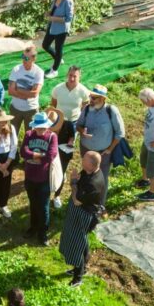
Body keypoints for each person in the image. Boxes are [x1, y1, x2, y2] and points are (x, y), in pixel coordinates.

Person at [59, 151, 107, 286]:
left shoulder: (94, 183)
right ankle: (83, 268)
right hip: (80, 211)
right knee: (82, 240)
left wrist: (73, 182)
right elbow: (78, 189)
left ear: (92, 165)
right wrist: (76, 184)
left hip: (85, 215)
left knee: (77, 245)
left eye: (84, 160)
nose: (81, 161)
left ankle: (78, 277)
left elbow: (76, 200)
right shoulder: (89, 171)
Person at [73, 84, 125, 205]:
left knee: (102, 178)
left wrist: (110, 149)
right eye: (90, 97)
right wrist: (82, 131)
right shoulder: (86, 109)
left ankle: (100, 205)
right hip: (86, 149)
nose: (90, 100)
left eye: (94, 98)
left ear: (102, 99)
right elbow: (78, 125)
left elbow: (120, 133)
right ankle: (83, 198)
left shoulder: (111, 111)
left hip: (103, 152)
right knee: (86, 173)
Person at [49, 65, 90, 207]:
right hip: (58, 124)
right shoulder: (58, 89)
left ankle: (57, 195)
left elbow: (85, 108)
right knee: (53, 153)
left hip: (72, 126)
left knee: (65, 156)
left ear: (79, 77)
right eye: (70, 75)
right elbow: (53, 107)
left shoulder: (83, 91)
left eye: (75, 76)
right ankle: (52, 179)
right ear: (67, 75)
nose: (72, 78)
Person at [21, 112, 59, 243]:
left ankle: (43, 233)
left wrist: (32, 156)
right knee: (33, 204)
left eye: (43, 127)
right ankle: (33, 227)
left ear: (47, 126)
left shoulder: (52, 137)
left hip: (44, 179)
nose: (40, 130)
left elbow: (51, 155)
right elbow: (23, 152)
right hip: (30, 177)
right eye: (38, 127)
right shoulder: (28, 135)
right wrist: (38, 156)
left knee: (43, 207)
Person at [7, 45, 45, 141]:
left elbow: (35, 93)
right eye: (22, 56)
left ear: (33, 59)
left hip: (31, 110)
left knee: (31, 136)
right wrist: (25, 95)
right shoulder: (16, 69)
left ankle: (28, 154)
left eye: (26, 58)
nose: (23, 60)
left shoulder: (38, 72)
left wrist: (18, 90)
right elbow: (10, 91)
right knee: (12, 135)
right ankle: (13, 154)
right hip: (15, 108)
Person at [42, 0, 75, 79]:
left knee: (58, 48)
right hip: (52, 26)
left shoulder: (68, 1)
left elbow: (69, 18)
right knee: (45, 45)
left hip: (61, 29)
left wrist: (53, 18)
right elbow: (54, 9)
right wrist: (49, 13)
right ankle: (58, 58)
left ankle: (54, 70)